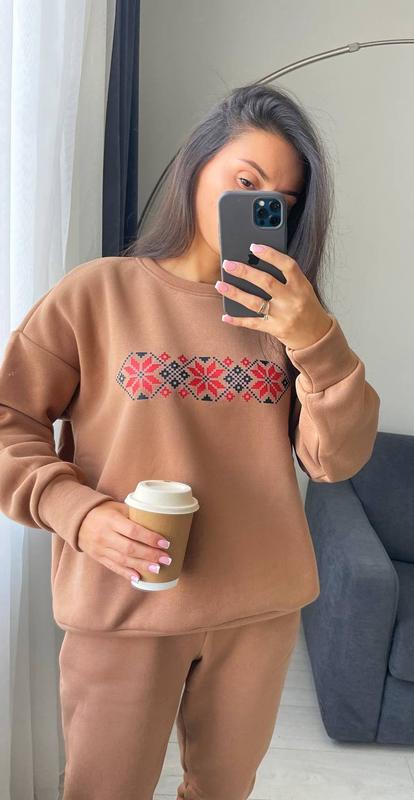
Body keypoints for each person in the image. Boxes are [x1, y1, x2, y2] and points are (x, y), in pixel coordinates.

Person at [0, 82, 380, 800]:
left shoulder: (291, 321)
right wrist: (77, 513)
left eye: (281, 201)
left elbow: (337, 460)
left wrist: (317, 340)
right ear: (196, 166)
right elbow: (8, 420)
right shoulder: (97, 294)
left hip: (259, 609)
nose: (261, 209)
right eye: (246, 183)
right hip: (125, 603)